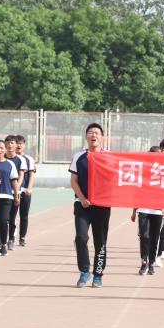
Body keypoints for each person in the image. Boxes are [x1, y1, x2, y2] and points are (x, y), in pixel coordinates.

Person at [69, 123, 111, 288]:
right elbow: (74, 181)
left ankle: (98, 275)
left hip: (102, 205)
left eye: (97, 133)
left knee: (100, 241)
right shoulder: (79, 156)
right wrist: (82, 198)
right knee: (81, 238)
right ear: (86, 136)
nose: (93, 135)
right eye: (90, 132)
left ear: (102, 137)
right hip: (82, 205)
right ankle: (84, 271)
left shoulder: (108, 156)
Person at [133, 146, 164, 275]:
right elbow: (137, 190)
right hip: (143, 208)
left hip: (157, 209)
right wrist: (134, 210)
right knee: (144, 236)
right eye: (153, 154)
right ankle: (144, 262)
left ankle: (151, 263)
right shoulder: (143, 170)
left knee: (154, 237)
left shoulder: (163, 171)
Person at [0, 140, 20, 256]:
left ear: (5, 149)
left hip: (7, 197)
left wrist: (16, 196)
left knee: (3, 221)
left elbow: (14, 182)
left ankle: (4, 244)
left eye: (2, 148)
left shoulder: (10, 164)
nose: (0, 150)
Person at [5, 135, 27, 250]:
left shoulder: (20, 160)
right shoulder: (1, 158)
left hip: (14, 192)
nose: (10, 145)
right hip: (3, 192)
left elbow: (21, 175)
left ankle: (11, 239)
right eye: (8, 142)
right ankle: (2, 240)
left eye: (12, 143)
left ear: (15, 145)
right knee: (3, 218)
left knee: (12, 217)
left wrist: (16, 190)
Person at [15, 135, 36, 247]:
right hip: (13, 192)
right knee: (11, 216)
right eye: (17, 143)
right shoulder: (10, 158)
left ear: (24, 145)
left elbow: (31, 174)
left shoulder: (29, 159)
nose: (19, 145)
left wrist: (29, 188)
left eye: (21, 143)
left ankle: (22, 237)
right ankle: (11, 237)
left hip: (24, 191)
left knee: (24, 215)